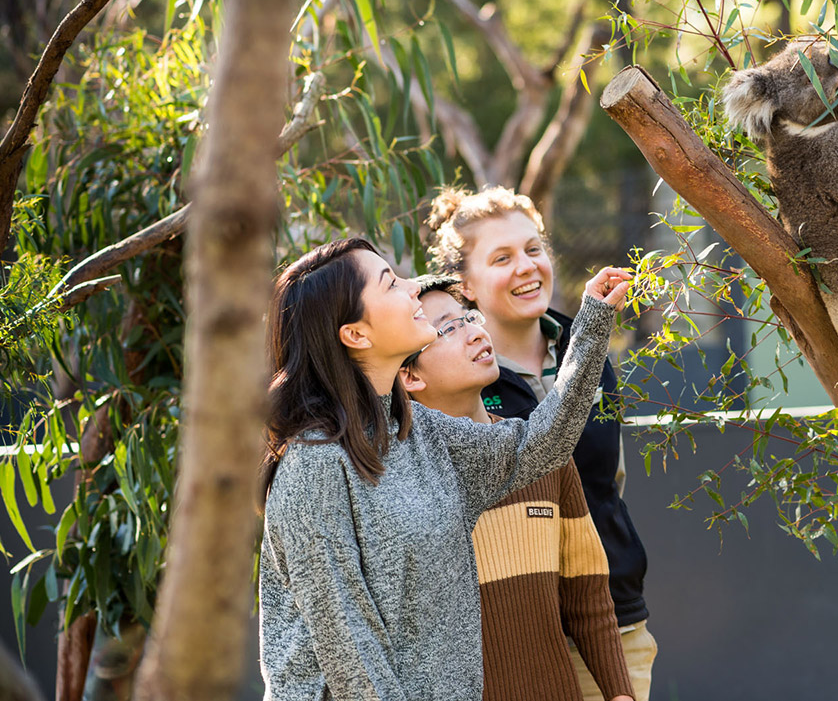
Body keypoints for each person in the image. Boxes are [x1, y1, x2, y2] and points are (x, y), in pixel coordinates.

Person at [258, 237, 630, 701]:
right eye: (391, 283)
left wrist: (591, 323)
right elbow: (349, 651)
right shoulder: (314, 463)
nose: (413, 289)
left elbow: (537, 448)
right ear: (356, 334)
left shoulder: (419, 431)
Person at [426, 187, 657, 701]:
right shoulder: (458, 380)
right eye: (502, 258)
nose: (526, 267)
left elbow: (609, 480)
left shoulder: (586, 343)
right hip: (516, 636)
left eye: (533, 249)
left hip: (614, 620)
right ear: (464, 284)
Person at [398, 275, 634, 701]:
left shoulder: (543, 456)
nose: (474, 331)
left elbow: (587, 595)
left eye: (470, 317)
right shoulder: (401, 481)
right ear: (408, 376)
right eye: (448, 329)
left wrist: (619, 693)